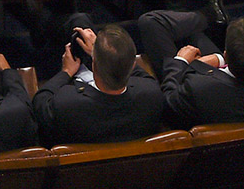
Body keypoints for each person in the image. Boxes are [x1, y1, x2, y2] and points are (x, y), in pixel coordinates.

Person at [140, 14, 244, 126]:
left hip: (195, 102)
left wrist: (181, 62)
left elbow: (168, 102)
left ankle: (205, 16)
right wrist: (218, 59)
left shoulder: (198, 89)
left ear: (226, 54)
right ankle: (206, 16)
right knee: (195, 35)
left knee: (150, 22)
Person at [33, 20, 164, 147]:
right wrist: (104, 52)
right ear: (133, 65)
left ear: (94, 65)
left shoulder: (65, 104)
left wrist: (66, 72)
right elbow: (144, 77)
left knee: (79, 19)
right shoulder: (152, 95)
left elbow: (40, 100)